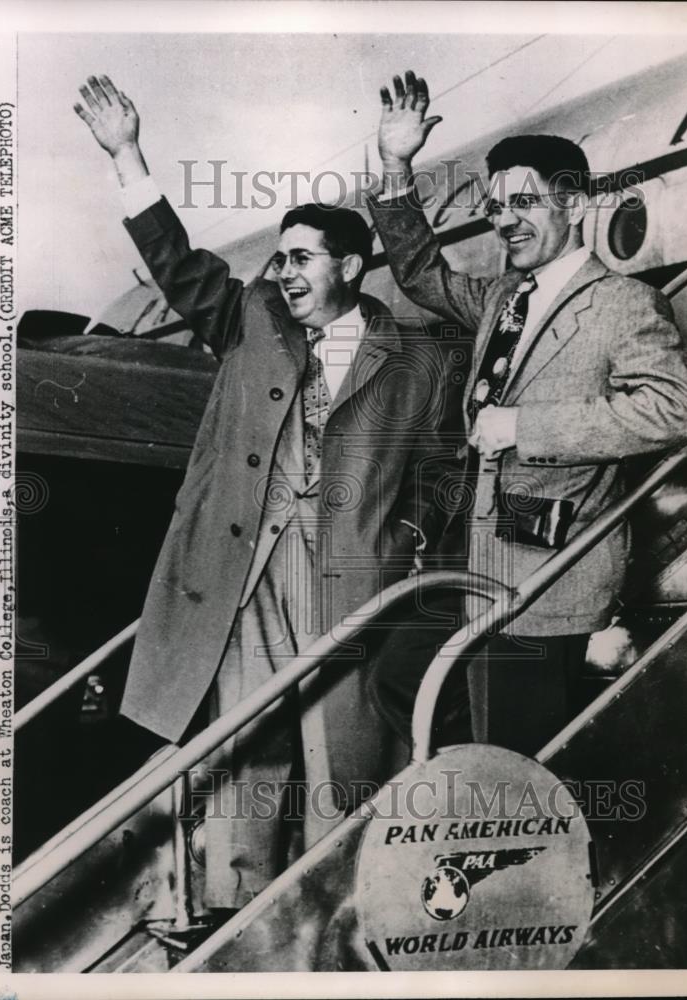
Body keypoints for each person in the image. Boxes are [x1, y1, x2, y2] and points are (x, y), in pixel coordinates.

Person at [74, 75, 459, 911]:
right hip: (247, 577)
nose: (281, 272)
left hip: (350, 588)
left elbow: (442, 475)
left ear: (351, 267)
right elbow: (178, 266)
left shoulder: (421, 359)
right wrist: (128, 156)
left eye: (300, 257)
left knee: (343, 757)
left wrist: (403, 548)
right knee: (244, 749)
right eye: (277, 257)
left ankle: (343, 905)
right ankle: (230, 906)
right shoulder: (251, 321)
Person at [367, 71, 687, 756]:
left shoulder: (621, 304)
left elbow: (674, 410)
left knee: (515, 747)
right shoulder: (499, 297)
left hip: (547, 572)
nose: (502, 219)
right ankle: (485, 798)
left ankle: (510, 836)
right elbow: (420, 272)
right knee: (398, 680)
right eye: (494, 205)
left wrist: (525, 429)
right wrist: (396, 167)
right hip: (475, 557)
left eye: (523, 202)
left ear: (572, 206)